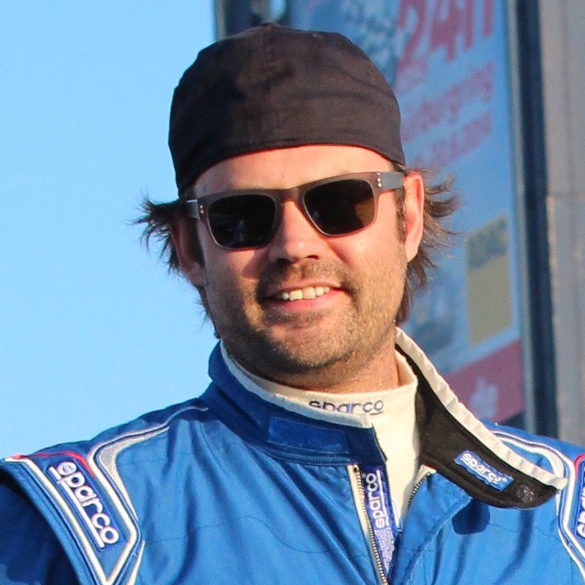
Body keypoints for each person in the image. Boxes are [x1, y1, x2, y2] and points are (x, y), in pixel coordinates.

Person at [0, 23, 584, 585]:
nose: (295, 245)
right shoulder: (69, 534)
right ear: (189, 248)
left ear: (407, 216)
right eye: (242, 217)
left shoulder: (567, 516)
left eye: (340, 202)